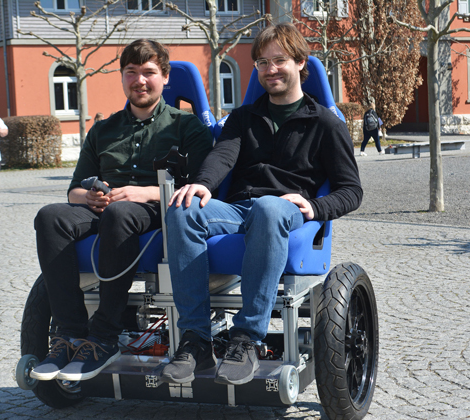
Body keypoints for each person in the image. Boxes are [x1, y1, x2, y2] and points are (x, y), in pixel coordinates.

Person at [159, 23, 362, 386]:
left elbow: (351, 191)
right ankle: (196, 340)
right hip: (239, 209)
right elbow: (222, 156)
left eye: (279, 60)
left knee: (269, 207)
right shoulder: (243, 118)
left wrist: (314, 207)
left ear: (301, 63)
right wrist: (203, 185)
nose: (270, 70)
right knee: (182, 207)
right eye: (262, 63)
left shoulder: (326, 124)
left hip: (288, 213)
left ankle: (247, 339)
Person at [30, 39, 213, 382]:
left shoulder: (188, 127)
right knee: (50, 216)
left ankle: (104, 336)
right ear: (122, 76)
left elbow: (200, 187)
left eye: (149, 72)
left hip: (159, 211)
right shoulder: (103, 129)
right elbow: (74, 191)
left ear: (165, 77)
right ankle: (68, 335)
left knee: (121, 212)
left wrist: (140, 192)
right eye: (131, 72)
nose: (139, 81)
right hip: (106, 209)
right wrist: (90, 198)